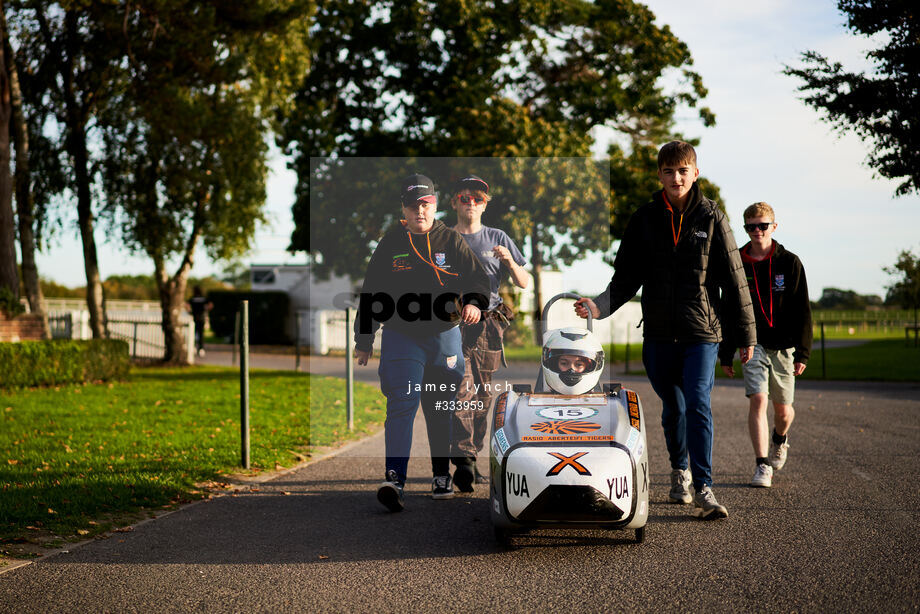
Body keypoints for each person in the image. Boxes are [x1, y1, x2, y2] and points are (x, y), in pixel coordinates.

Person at [573, 140, 756, 520]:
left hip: (701, 332)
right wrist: (598, 306)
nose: (676, 177)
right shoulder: (644, 218)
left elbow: (735, 281)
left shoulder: (712, 217)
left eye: (683, 170)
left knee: (698, 403)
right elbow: (626, 278)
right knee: (673, 406)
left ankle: (704, 486)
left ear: (695, 173)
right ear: (659, 175)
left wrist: (746, 336)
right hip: (657, 333)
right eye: (669, 171)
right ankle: (679, 471)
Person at [354, 173, 491, 512]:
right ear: (404, 208)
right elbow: (372, 292)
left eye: (426, 204)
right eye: (414, 205)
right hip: (402, 337)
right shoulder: (390, 243)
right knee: (402, 401)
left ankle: (440, 474)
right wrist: (365, 338)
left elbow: (478, 279)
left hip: (444, 338)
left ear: (434, 204)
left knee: (439, 406)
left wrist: (473, 302)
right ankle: (394, 479)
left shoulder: (451, 240)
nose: (421, 211)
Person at [719, 202, 812, 488]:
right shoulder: (737, 261)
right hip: (752, 343)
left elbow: (802, 310)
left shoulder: (790, 262)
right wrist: (726, 352)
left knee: (783, 411)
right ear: (745, 228)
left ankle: (780, 439)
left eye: (762, 225)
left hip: (783, 346)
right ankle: (762, 465)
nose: (757, 231)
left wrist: (803, 352)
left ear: (774, 226)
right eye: (751, 226)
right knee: (758, 399)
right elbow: (728, 309)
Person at [447, 175, 529, 493]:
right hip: (451, 325)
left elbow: (524, 282)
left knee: (482, 396)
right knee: (459, 390)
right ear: (454, 201)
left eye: (477, 198)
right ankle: (464, 460)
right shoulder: (443, 238)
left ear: (485, 204)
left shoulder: (497, 237)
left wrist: (509, 261)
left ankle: (472, 457)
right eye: (464, 197)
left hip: (489, 327)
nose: (471, 203)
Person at [186, 286, 212, 357]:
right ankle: (201, 348)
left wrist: (189, 311)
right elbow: (210, 305)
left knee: (194, 333)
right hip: (202, 318)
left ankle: (193, 347)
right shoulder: (203, 298)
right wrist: (206, 310)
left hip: (195, 318)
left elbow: (187, 305)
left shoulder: (193, 298)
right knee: (201, 334)